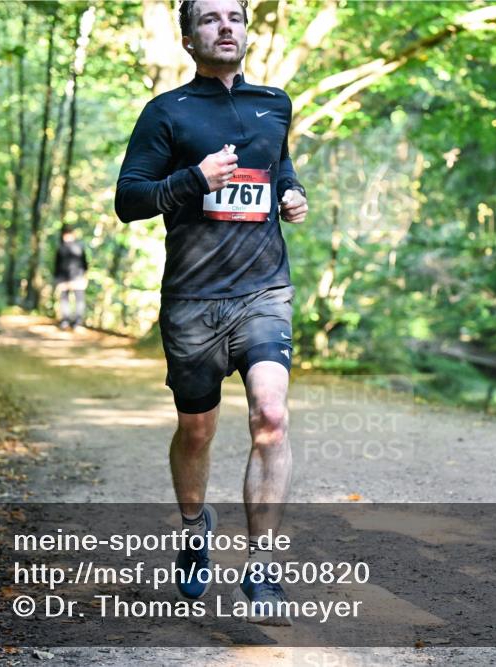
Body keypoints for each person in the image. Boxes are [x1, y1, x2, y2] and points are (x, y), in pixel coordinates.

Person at [114, 0, 308, 625]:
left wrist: (291, 191)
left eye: (236, 17)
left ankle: (263, 565)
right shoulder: (166, 112)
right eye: (210, 19)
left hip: (263, 291)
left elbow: (278, 164)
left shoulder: (275, 102)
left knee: (271, 417)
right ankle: (195, 527)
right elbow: (129, 200)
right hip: (193, 302)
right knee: (197, 431)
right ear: (189, 36)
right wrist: (193, 179)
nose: (226, 28)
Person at [53, 225, 89, 330]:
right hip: (64, 278)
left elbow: (84, 264)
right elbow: (57, 265)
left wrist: (85, 278)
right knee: (65, 300)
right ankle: (66, 321)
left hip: (77, 278)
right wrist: (58, 279)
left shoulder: (79, 247)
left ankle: (76, 322)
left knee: (79, 300)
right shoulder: (61, 248)